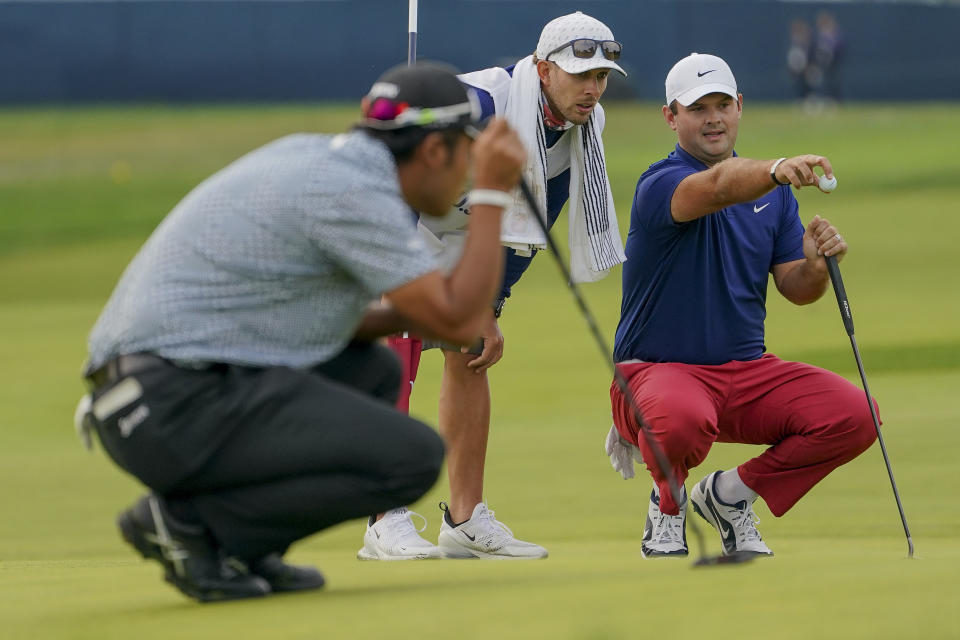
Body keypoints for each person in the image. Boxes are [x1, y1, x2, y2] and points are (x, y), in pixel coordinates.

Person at [74, 62, 528, 601]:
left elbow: (339, 319)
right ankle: (189, 526)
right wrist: (495, 198)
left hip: (158, 389)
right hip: (162, 404)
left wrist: (422, 313)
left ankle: (241, 548)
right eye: (468, 158)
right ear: (433, 151)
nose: (469, 179)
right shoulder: (355, 192)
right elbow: (455, 320)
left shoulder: (325, 163)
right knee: (409, 459)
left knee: (370, 369)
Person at [361, 11, 627, 560]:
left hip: (467, 228)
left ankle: (463, 521)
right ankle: (383, 516)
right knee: (398, 343)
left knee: (472, 349)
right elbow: (384, 139)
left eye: (601, 77)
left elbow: (538, 216)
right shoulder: (482, 101)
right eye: (581, 75)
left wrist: (489, 304)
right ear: (543, 69)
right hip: (397, 220)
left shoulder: (581, 131)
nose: (593, 89)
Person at [607, 53, 878, 559]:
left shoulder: (773, 198)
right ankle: (668, 506)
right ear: (671, 117)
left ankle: (730, 496)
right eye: (698, 108)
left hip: (745, 374)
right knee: (679, 415)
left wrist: (816, 263)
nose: (713, 117)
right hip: (658, 373)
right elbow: (716, 185)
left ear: (739, 107)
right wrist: (775, 169)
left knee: (855, 415)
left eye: (723, 104)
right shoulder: (660, 183)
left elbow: (796, 288)